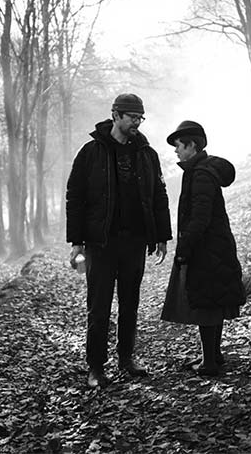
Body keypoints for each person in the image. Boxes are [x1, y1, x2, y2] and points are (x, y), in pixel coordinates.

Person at [66, 93, 171, 388]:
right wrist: (76, 242)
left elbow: (158, 195)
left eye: (140, 118)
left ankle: (126, 359)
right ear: (116, 115)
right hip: (100, 244)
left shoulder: (146, 154)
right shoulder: (91, 153)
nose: (137, 122)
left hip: (135, 242)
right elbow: (75, 198)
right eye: (132, 117)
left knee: (130, 304)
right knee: (98, 307)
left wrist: (161, 235)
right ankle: (96, 368)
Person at [160, 120, 245, 376]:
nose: (176, 151)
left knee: (207, 302)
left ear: (192, 145)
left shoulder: (201, 174)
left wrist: (185, 247)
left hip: (207, 249)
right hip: (213, 246)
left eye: (179, 146)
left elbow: (200, 216)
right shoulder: (200, 171)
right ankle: (213, 355)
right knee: (211, 299)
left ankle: (209, 362)